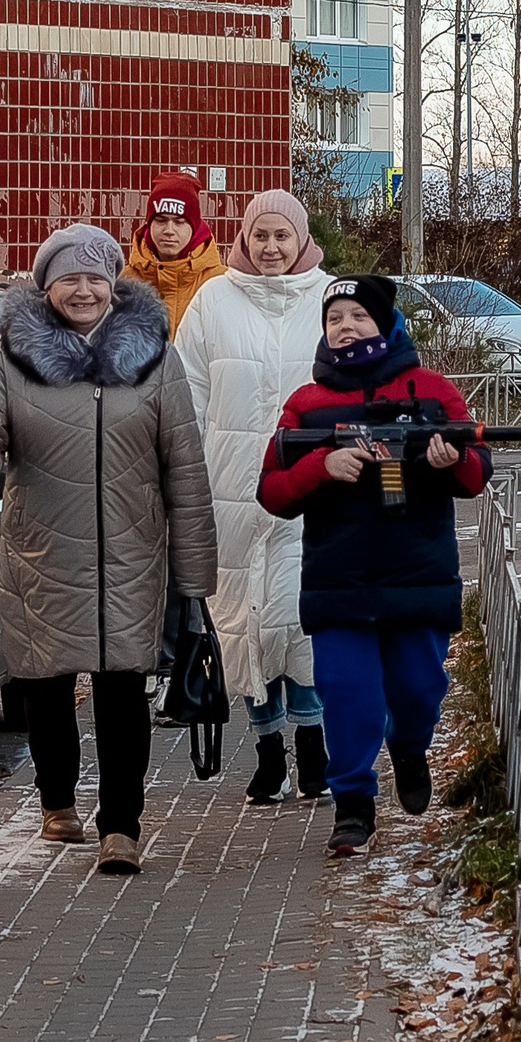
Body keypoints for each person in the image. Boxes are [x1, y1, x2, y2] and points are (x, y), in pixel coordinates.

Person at [0, 222, 216, 876]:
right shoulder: (13, 356)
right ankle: (56, 800)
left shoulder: (154, 355)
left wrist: (196, 572)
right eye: (70, 279)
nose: (85, 290)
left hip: (131, 553)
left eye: (96, 277)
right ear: (48, 287)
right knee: (46, 686)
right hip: (43, 552)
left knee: (124, 692)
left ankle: (122, 826)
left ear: (115, 284)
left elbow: (185, 463)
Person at [257, 274, 488, 856]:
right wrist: (321, 468)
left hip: (419, 575)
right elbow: (272, 492)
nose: (346, 327)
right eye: (335, 319)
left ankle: (410, 748)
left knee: (418, 688)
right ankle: (353, 804)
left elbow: (476, 473)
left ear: (386, 324)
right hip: (340, 580)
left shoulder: (432, 391)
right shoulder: (306, 406)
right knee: (348, 696)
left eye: (358, 316)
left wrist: (450, 459)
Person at [175, 189, 333, 804]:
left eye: (282, 236)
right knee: (242, 622)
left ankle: (313, 749)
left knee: (304, 621)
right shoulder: (214, 299)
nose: (271, 248)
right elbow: (186, 391)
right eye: (260, 236)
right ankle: (268, 751)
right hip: (232, 488)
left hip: (314, 487)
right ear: (244, 239)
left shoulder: (329, 296)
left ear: (301, 241)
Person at [126, 169, 228, 333]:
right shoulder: (123, 282)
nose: (169, 230)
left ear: (194, 227)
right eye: (160, 220)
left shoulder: (222, 283)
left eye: (179, 222)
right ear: (149, 225)